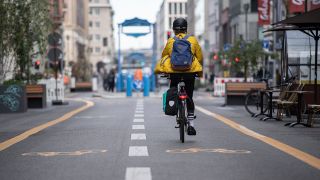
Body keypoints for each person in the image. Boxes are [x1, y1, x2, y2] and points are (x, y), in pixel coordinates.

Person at [154, 18, 203, 136]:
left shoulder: (170, 41)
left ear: (174, 29)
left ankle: (175, 109)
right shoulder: (193, 40)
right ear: (186, 28)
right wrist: (197, 70)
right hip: (189, 72)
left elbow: (164, 56)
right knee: (189, 96)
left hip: (174, 72)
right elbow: (199, 57)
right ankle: (191, 124)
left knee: (174, 91)